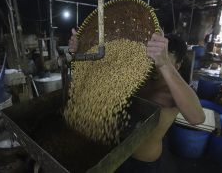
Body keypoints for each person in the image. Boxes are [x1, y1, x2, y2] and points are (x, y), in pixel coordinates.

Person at [68, 29, 205, 172]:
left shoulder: (174, 91)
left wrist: (164, 64)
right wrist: (80, 51)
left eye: (162, 56)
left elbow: (197, 117)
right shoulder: (138, 78)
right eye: (151, 54)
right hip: (115, 155)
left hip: (144, 164)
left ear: (177, 65)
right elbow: (102, 69)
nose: (153, 61)